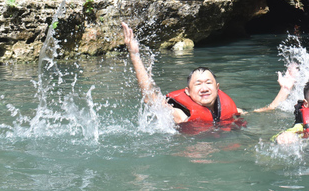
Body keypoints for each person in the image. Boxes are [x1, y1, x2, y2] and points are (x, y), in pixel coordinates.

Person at [121, 22, 294, 126]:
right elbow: (150, 98)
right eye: (198, 84)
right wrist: (135, 56)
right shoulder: (181, 113)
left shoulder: (226, 108)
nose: (204, 88)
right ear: (187, 92)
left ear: (218, 88)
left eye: (208, 83)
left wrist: (285, 90)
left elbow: (266, 110)